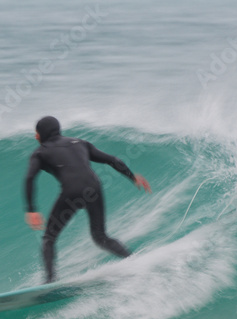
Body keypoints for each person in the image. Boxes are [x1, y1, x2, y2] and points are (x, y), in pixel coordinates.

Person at [23, 116, 150, 283]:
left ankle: (50, 280)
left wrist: (31, 209)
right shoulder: (80, 143)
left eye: (37, 133)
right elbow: (112, 160)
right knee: (100, 236)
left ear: (42, 133)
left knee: (49, 238)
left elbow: (30, 178)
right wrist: (132, 177)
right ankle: (134, 261)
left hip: (72, 191)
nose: (35, 136)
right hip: (94, 188)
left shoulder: (40, 152)